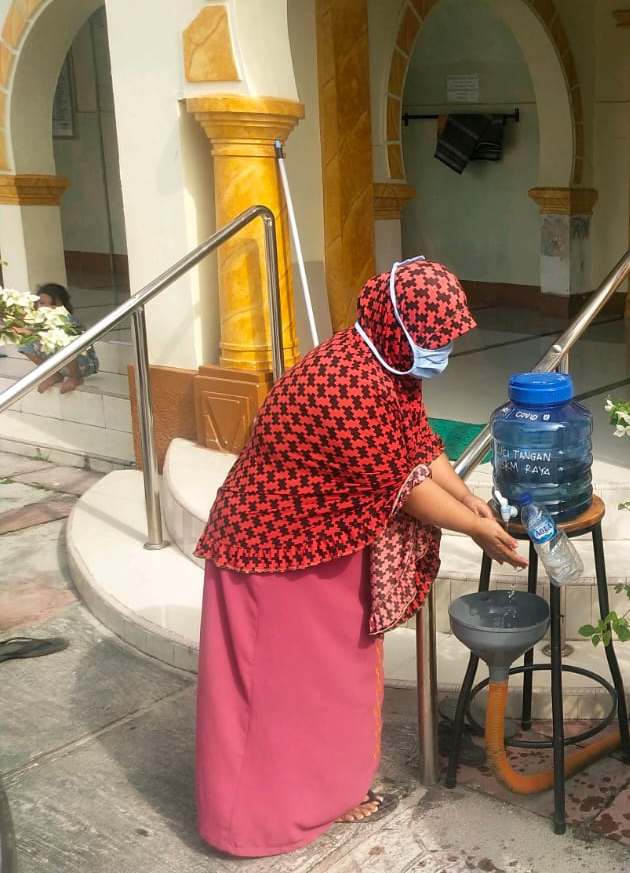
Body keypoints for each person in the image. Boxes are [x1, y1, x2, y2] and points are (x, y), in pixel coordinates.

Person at [192, 257, 526, 857]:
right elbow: (409, 488)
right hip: (274, 552)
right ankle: (254, 823)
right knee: (273, 695)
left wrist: (474, 502)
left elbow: (420, 445)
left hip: (330, 539)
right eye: (432, 340)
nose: (439, 353)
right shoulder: (345, 381)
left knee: (332, 681)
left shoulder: (389, 363)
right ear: (398, 325)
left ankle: (330, 793)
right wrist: (478, 530)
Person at [17, 283, 99, 394]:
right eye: (42, 303)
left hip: (83, 363)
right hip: (60, 365)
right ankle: (53, 374)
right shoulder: (38, 321)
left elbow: (55, 334)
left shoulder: (66, 319)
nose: (46, 308)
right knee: (25, 343)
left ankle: (76, 376)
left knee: (60, 340)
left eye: (53, 305)